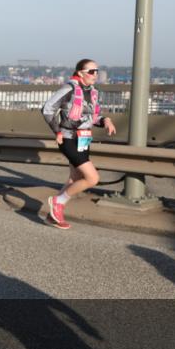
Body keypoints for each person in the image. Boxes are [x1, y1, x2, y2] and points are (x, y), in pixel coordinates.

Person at [41, 59, 117, 230]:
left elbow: (92, 117)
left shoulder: (92, 92)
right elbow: (47, 109)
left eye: (97, 71)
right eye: (91, 71)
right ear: (80, 73)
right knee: (92, 178)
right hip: (68, 138)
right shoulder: (69, 89)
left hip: (83, 139)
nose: (95, 74)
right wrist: (57, 131)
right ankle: (57, 201)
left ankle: (53, 216)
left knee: (74, 178)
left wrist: (106, 120)